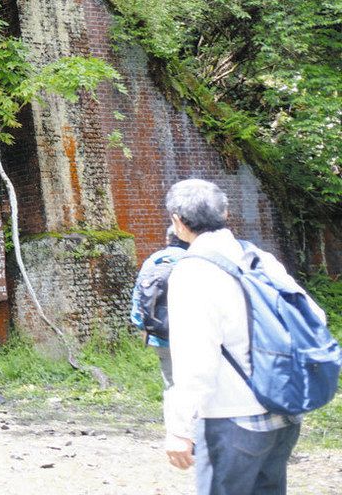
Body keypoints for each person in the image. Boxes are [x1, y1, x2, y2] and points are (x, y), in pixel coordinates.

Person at [162, 179, 306, 494]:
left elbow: (195, 361)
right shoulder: (260, 258)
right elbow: (312, 317)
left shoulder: (192, 272)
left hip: (233, 419)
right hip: (284, 411)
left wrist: (180, 429)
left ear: (178, 222)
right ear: (225, 213)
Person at [129, 225, 189, 389]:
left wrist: (143, 325)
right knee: (195, 381)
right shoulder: (194, 259)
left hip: (160, 333)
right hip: (191, 333)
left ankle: (174, 403)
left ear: (167, 240)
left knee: (171, 382)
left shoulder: (153, 261)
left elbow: (139, 295)